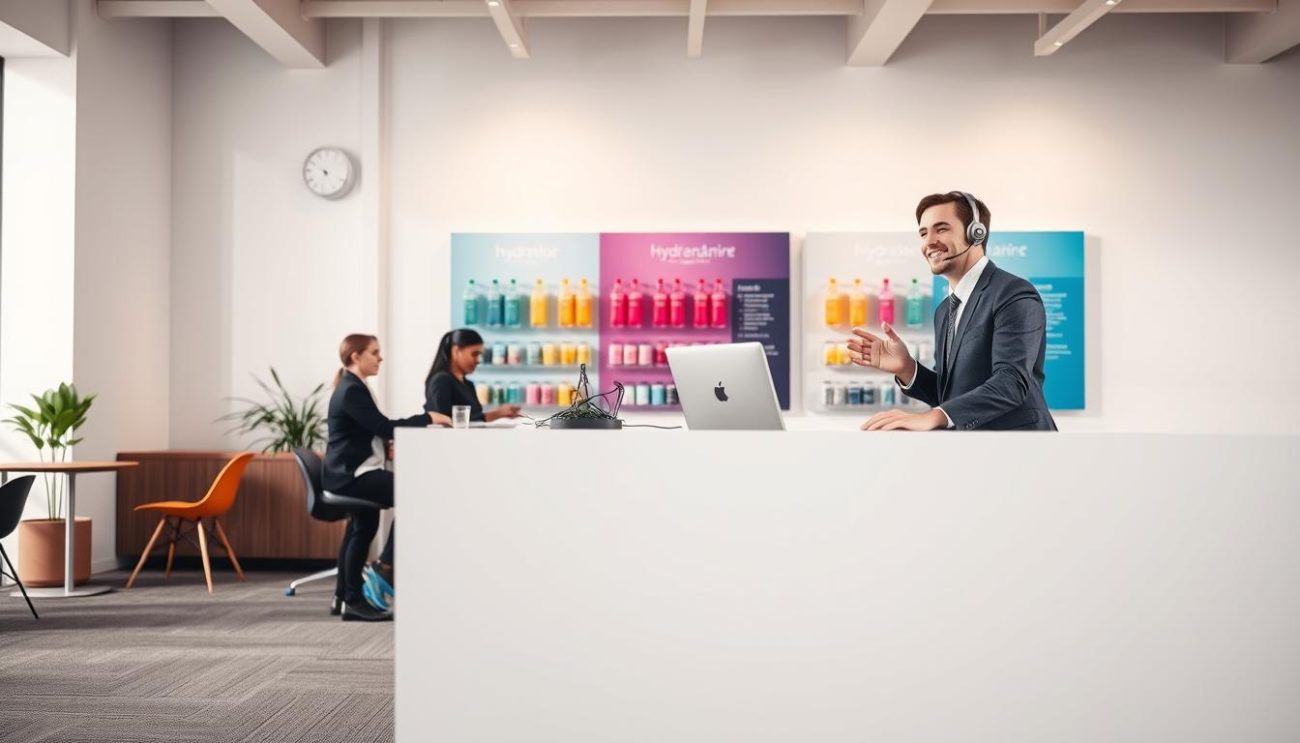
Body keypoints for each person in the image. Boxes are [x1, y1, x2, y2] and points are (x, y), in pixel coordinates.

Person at [848, 191, 1057, 431]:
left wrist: (932, 416)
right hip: (969, 449)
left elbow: (1011, 383)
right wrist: (907, 367)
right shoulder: (944, 311)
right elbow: (950, 395)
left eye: (941, 229)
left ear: (976, 233)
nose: (928, 242)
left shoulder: (1012, 293)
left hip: (1021, 448)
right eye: (923, 233)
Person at [324, 333, 448, 621]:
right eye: (374, 352)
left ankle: (345, 597)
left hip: (346, 473)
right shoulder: (352, 389)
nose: (380, 358)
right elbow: (382, 425)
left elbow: (366, 431)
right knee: (415, 495)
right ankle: (382, 569)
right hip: (351, 476)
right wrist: (430, 417)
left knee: (361, 528)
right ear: (356, 356)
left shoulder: (353, 385)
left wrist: (383, 445)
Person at [423, 329, 522, 423]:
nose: (478, 360)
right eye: (474, 354)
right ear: (456, 351)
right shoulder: (441, 381)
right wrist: (496, 413)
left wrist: (499, 414)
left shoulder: (468, 384)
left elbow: (475, 418)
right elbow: (444, 420)